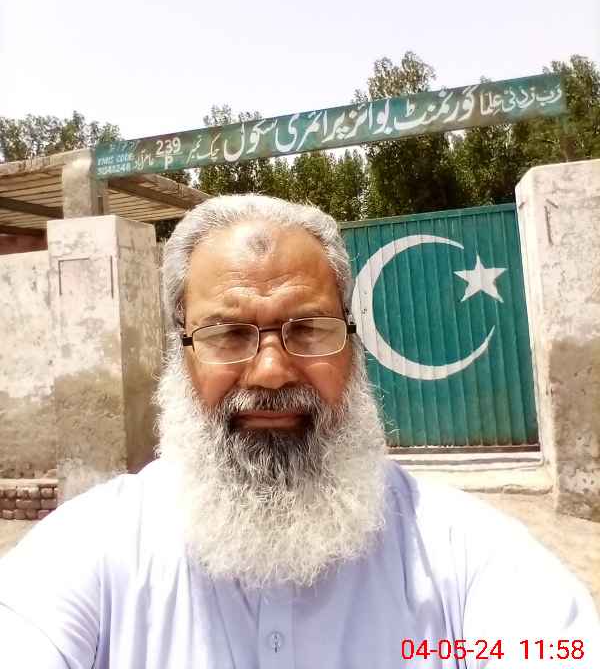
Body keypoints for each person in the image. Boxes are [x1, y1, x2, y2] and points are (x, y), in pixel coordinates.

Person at [0, 194, 598, 668]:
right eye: (227, 334)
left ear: (352, 344)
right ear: (180, 353)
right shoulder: (89, 551)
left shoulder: (466, 553)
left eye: (308, 329)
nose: (270, 371)